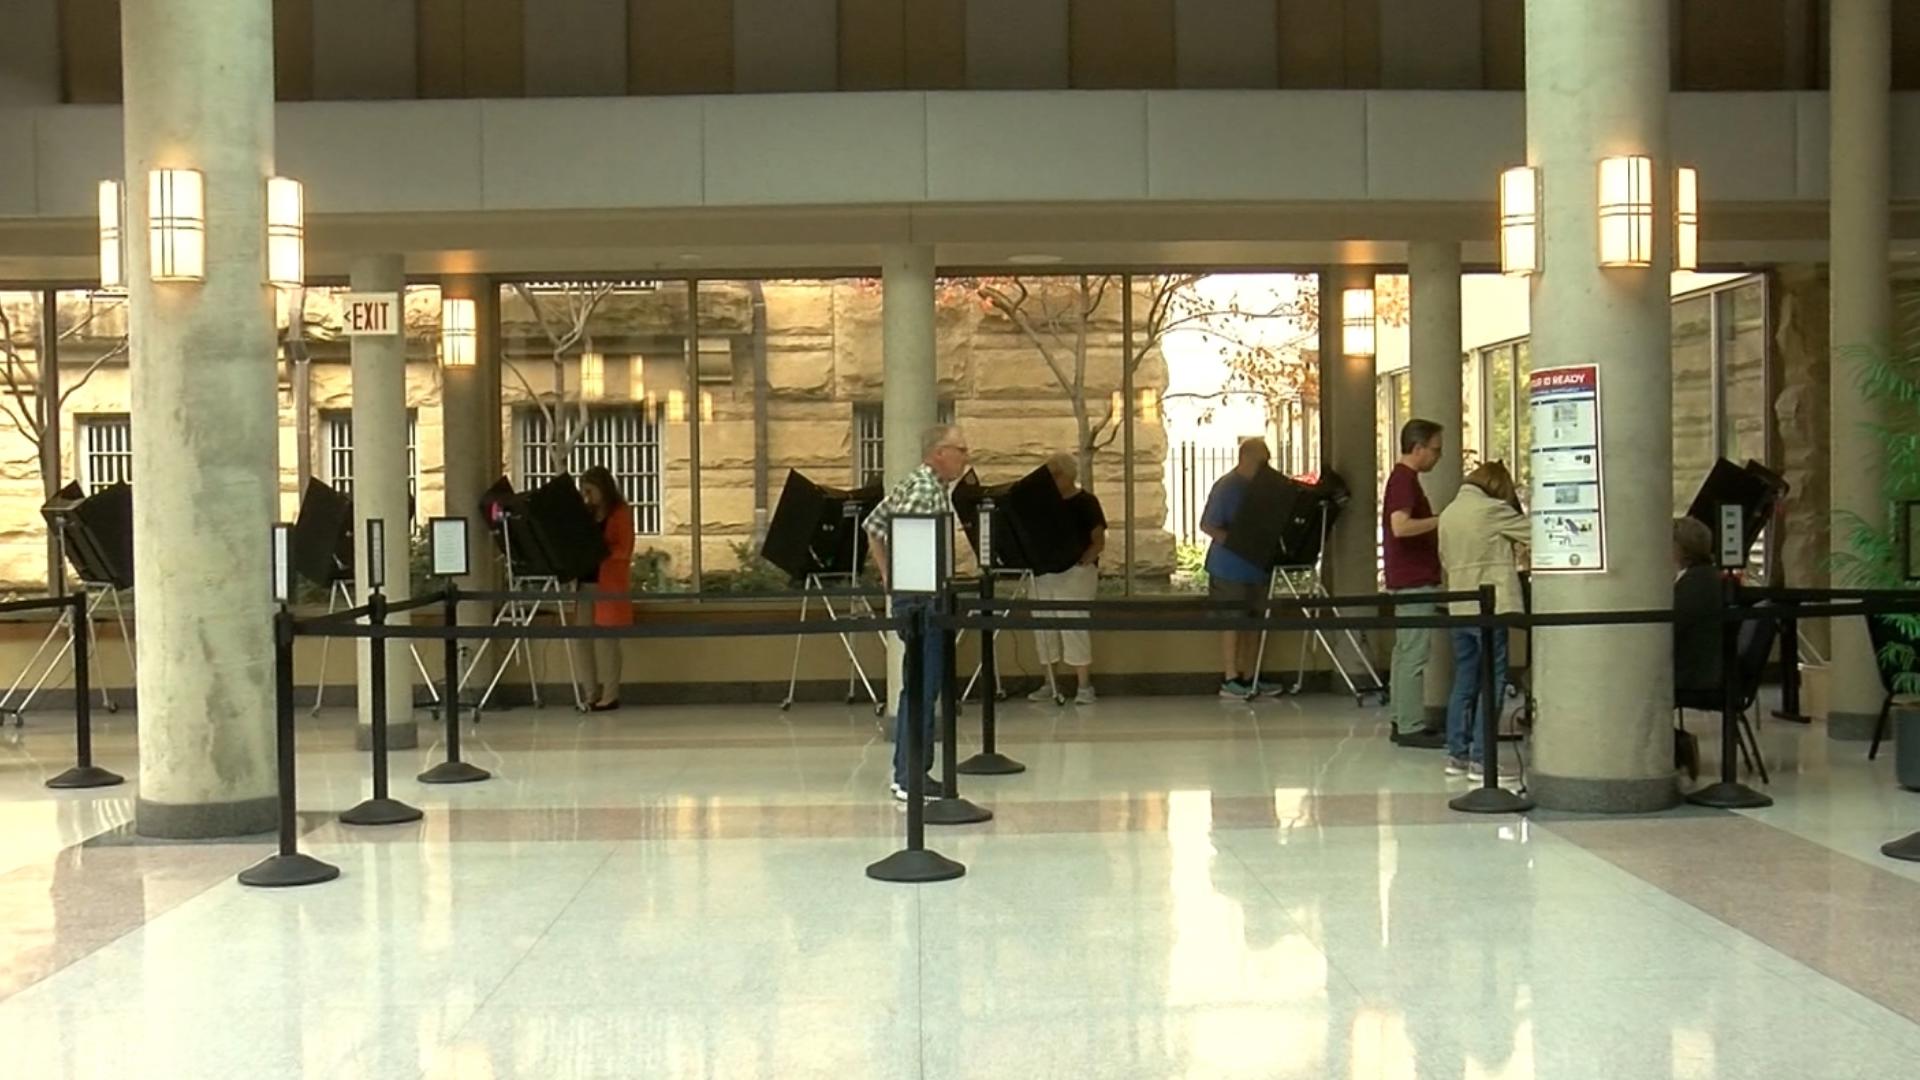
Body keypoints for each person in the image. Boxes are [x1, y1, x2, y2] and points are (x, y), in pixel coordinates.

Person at [864, 423, 970, 802]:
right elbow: (901, 532)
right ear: (938, 452)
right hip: (924, 600)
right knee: (923, 688)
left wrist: (890, 577)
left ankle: (908, 771)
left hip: (915, 595)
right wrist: (900, 579)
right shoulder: (925, 490)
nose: (965, 456)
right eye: (960, 449)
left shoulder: (916, 483)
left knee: (917, 686)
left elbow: (873, 525)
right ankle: (911, 775)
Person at [1437, 461, 1528, 781]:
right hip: (1490, 607)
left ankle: (1457, 755)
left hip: (1459, 606)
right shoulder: (1492, 510)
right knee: (1493, 681)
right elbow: (1538, 535)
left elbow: (1445, 560)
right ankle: (1482, 759)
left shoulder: (1448, 513)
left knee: (1464, 681)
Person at [1383, 419, 1448, 748]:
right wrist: (1443, 520)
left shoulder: (1403, 480)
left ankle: (1402, 717)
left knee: (1404, 651)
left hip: (1406, 577)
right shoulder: (1404, 482)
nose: (1438, 456)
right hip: (1413, 579)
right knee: (1413, 655)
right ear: (1418, 447)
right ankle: (1410, 724)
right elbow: (1401, 527)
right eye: (1435, 449)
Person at [1028, 452, 1106, 706]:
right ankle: (1049, 682)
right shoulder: (1041, 504)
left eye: (1055, 475)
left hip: (1075, 573)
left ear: (1066, 476)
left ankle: (1084, 685)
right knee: (1043, 627)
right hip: (1044, 572)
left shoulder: (1086, 502)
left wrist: (1084, 560)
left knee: (1073, 626)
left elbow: (1098, 540)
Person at [1200, 437, 1274, 699]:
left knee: (1255, 623)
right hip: (1229, 568)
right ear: (1245, 460)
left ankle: (1251, 675)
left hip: (1257, 567)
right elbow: (1208, 525)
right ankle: (1230, 677)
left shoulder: (1264, 489)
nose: (1264, 468)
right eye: (1260, 463)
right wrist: (1236, 542)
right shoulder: (1227, 487)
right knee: (1232, 621)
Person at [577, 466, 634, 712]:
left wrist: (602, 551)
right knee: (582, 640)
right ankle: (590, 692)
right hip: (585, 583)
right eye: (584, 492)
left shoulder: (620, 513)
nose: (587, 497)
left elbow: (625, 549)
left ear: (603, 488)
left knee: (606, 642)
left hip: (607, 583)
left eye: (590, 491)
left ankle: (610, 695)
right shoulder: (586, 514)